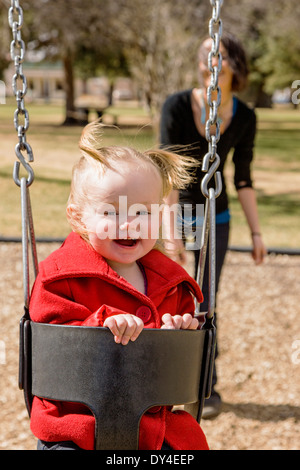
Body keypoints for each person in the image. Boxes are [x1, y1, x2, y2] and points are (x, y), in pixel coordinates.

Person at [29, 121, 209, 451]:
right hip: (79, 429)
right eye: (111, 212)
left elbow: (178, 368)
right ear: (78, 217)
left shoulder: (174, 284)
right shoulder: (59, 277)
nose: (128, 223)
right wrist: (99, 325)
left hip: (154, 427)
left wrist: (182, 329)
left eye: (142, 211)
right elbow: (50, 343)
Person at [160, 33, 267, 418]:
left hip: (215, 217)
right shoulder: (175, 106)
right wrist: (171, 238)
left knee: (207, 300)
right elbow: (168, 176)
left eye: (217, 52)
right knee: (171, 296)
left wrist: (256, 233)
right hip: (179, 211)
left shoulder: (245, 116)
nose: (208, 57)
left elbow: (243, 178)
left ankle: (206, 384)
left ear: (233, 64)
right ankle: (163, 379)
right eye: (205, 52)